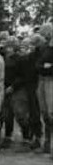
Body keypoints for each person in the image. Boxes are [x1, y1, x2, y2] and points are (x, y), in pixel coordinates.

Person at [11, 37, 42, 152]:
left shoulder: (35, 57)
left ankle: (37, 138)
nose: (25, 49)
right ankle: (29, 136)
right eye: (23, 46)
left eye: (28, 46)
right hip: (24, 89)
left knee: (35, 114)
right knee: (23, 114)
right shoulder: (21, 59)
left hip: (35, 88)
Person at [35, 23, 53, 155]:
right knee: (45, 113)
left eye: (44, 33)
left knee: (53, 113)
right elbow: (38, 64)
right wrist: (44, 66)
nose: (43, 36)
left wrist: (47, 66)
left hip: (52, 81)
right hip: (42, 80)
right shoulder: (45, 47)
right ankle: (47, 144)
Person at [0, 36, 19, 148]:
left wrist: (13, 86)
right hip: (2, 87)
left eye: (11, 47)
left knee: (15, 113)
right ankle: (6, 136)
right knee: (4, 113)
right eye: (8, 46)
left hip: (14, 88)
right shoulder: (2, 57)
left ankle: (11, 135)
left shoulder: (18, 59)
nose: (9, 49)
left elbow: (21, 75)